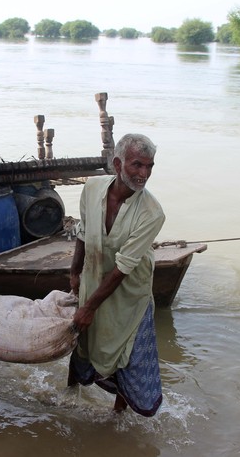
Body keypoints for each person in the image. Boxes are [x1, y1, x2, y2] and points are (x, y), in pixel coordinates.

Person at [67, 133, 165, 417]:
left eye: (149, 166)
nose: (144, 174)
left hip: (130, 293)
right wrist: (75, 272)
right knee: (81, 343)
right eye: (137, 165)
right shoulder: (93, 188)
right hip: (95, 278)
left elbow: (124, 268)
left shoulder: (152, 213)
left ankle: (117, 416)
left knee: (128, 355)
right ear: (118, 163)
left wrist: (89, 306)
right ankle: (69, 394)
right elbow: (84, 232)